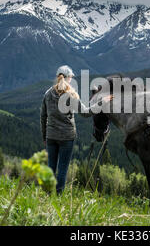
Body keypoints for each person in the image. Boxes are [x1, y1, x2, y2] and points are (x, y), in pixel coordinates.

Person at [40, 65, 113, 194]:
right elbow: (85, 113)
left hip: (51, 137)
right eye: (71, 77)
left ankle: (46, 194)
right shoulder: (71, 94)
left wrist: (44, 137)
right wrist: (102, 102)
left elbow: (43, 117)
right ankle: (58, 197)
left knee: (50, 167)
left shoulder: (47, 94)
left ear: (57, 77)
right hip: (67, 137)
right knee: (62, 168)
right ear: (68, 78)